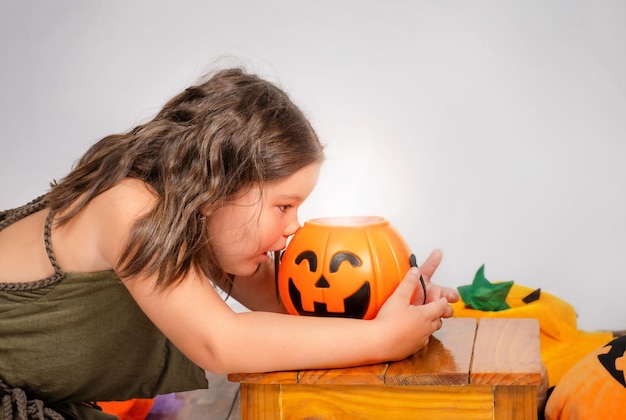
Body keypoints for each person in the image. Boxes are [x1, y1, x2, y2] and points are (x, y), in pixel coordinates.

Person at [0, 67, 459, 419]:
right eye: (284, 206)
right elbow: (221, 343)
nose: (294, 227)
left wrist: (398, 305)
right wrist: (383, 339)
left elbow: (286, 305)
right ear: (218, 185)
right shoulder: (132, 209)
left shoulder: (198, 219)